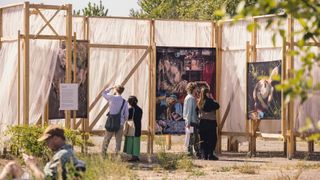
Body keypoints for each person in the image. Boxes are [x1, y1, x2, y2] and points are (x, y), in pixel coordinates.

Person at [0, 125, 86, 180]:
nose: (46, 144)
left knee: (11, 166)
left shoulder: (63, 154)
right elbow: (50, 173)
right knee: (14, 166)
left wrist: (31, 165)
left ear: (56, 138)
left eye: (47, 141)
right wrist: (37, 165)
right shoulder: (64, 152)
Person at [101, 85, 129, 156]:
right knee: (118, 141)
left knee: (107, 139)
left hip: (111, 122)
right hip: (120, 123)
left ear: (116, 90)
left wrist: (111, 87)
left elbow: (103, 93)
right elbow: (126, 115)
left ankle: (103, 155)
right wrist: (123, 120)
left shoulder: (111, 98)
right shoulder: (124, 102)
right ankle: (117, 156)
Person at [197, 87, 220, 160]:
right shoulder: (210, 101)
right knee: (212, 139)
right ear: (207, 93)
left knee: (203, 140)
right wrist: (212, 98)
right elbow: (217, 106)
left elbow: (196, 111)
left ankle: (204, 155)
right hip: (210, 123)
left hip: (202, 123)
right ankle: (210, 154)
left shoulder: (199, 102)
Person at [183, 82, 200, 158]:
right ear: (193, 89)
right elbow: (189, 111)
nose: (197, 89)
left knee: (192, 137)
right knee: (193, 137)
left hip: (191, 121)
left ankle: (191, 152)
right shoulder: (191, 98)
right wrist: (188, 122)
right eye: (196, 88)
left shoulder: (189, 97)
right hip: (192, 121)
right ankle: (192, 153)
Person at [123, 96, 143, 162]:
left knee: (132, 142)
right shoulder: (140, 109)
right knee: (137, 142)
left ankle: (133, 157)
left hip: (132, 128)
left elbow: (127, 118)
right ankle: (136, 156)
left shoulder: (130, 110)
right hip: (138, 127)